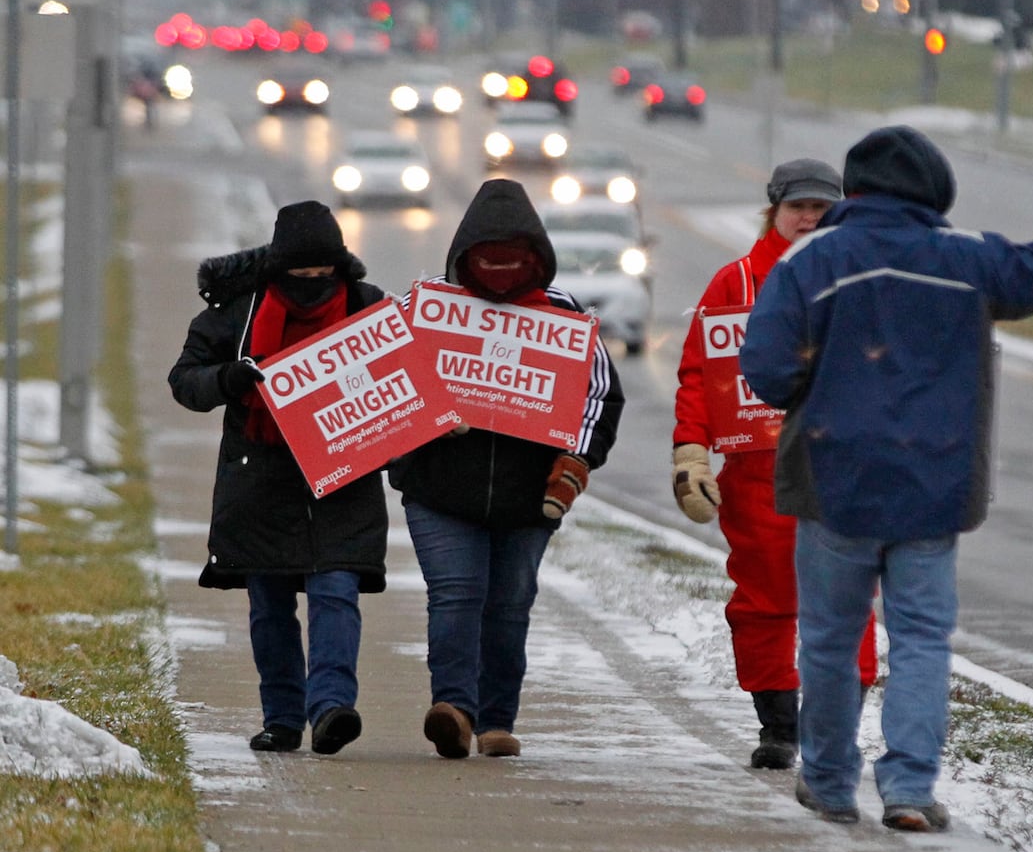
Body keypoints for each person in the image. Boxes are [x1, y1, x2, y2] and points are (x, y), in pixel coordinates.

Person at [740, 98, 1033, 831]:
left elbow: (762, 369)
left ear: (853, 192)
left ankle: (826, 781)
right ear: (935, 194)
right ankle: (910, 789)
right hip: (933, 483)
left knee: (826, 637)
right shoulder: (966, 260)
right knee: (919, 638)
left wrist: (819, 395)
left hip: (832, 481)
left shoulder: (812, 261)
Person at [389, 178, 624, 759]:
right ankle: (454, 711)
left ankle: (496, 719)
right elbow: (387, 382)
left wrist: (576, 459)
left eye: (514, 253)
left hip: (528, 496)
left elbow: (600, 396)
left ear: (537, 256)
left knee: (509, 603)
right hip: (440, 489)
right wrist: (419, 426)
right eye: (488, 253)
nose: (500, 267)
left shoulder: (565, 317)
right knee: (456, 593)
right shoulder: (429, 310)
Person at [671, 159, 879, 771]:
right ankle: (779, 727)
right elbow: (696, 378)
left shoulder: (865, 283)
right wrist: (691, 453)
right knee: (765, 601)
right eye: (799, 208)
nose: (810, 219)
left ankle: (833, 725)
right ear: (775, 210)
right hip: (760, 473)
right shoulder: (732, 285)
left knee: (846, 600)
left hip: (844, 472)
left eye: (822, 209)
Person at [167, 200, 390, 756]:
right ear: (278, 269)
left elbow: (403, 388)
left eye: (324, 275)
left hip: (342, 480)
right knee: (269, 605)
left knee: (336, 591)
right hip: (260, 482)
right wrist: (230, 378)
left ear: (341, 268)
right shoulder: (238, 314)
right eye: (301, 276)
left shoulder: (369, 308)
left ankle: (332, 707)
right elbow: (185, 380)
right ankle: (283, 718)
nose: (314, 286)